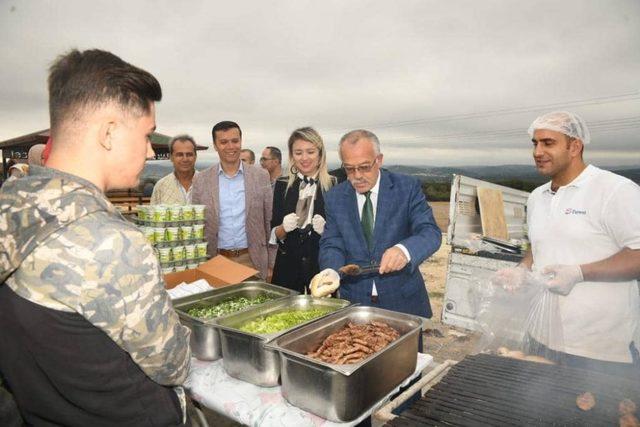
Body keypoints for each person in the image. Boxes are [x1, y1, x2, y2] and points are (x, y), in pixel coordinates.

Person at [0, 49, 191, 425]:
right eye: (147, 134)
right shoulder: (111, 243)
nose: (151, 150)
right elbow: (174, 365)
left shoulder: (10, 203)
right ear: (108, 132)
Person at [493, 111, 640, 375]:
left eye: (548, 143)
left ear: (575, 146)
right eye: (535, 143)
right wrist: (521, 269)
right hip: (541, 334)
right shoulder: (537, 197)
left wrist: (579, 273)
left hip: (599, 347)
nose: (538, 151)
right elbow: (539, 247)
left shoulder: (616, 191)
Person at [319, 129, 442, 318]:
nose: (357, 176)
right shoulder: (335, 197)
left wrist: (404, 250)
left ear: (379, 160)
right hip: (355, 303)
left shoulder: (407, 188)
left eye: (365, 167)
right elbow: (332, 242)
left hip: (403, 302)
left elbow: (430, 232)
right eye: (349, 169)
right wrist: (331, 271)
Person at [192, 121, 274, 280]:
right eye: (223, 142)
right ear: (215, 145)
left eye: (235, 141)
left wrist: (271, 263)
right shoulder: (201, 180)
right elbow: (196, 225)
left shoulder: (261, 176)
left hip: (252, 260)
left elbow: (269, 220)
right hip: (216, 260)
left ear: (241, 141)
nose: (230, 146)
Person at [270, 127, 336, 293]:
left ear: (320, 154)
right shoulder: (281, 185)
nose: (304, 158)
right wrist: (283, 228)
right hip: (287, 269)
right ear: (292, 156)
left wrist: (327, 231)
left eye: (310, 152)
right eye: (298, 153)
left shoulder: (335, 185)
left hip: (322, 268)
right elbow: (274, 234)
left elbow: (344, 234)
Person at [151, 134, 199, 205]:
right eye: (179, 155)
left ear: (195, 157)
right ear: (171, 157)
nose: (185, 159)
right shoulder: (161, 186)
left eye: (189, 154)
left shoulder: (208, 184)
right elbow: (152, 215)